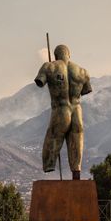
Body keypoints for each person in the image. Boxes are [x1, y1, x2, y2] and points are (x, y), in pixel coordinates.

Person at [34, 44, 92, 180]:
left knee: (53, 136)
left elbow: (40, 81)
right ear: (69, 54)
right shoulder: (82, 71)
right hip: (77, 111)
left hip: (61, 110)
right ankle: (76, 170)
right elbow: (85, 90)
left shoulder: (49, 66)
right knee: (76, 140)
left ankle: (49, 165)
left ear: (56, 55)